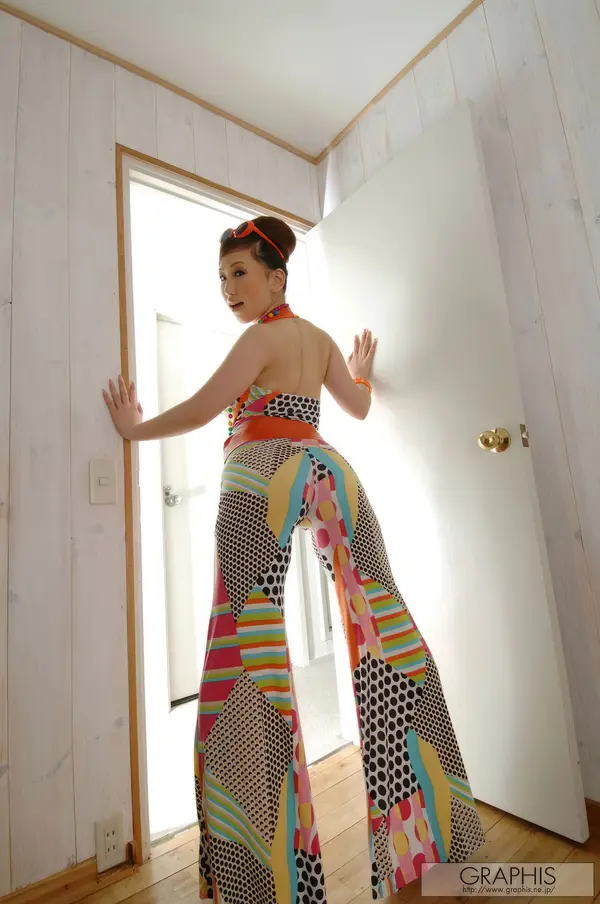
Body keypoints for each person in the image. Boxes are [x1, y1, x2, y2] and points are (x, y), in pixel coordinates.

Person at [103, 215, 484, 903]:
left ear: (276, 276)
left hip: (261, 469)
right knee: (387, 632)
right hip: (330, 468)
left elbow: (202, 409)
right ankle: (431, 843)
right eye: (222, 277)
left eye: (240, 273)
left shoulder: (259, 338)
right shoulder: (320, 340)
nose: (228, 288)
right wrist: (360, 376)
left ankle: (268, 879)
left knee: (245, 650)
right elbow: (357, 409)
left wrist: (134, 430)